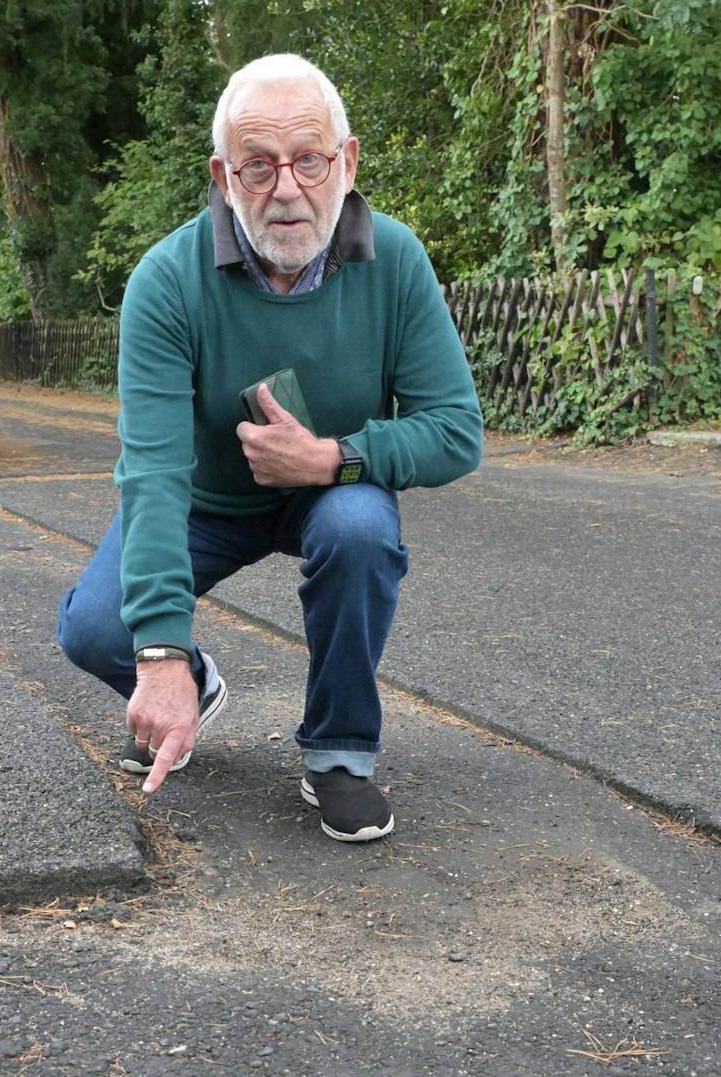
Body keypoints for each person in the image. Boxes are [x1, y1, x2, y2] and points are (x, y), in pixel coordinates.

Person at [56, 53, 483, 843]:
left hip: (330, 491)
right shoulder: (166, 281)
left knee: (360, 529)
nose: (287, 188)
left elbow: (455, 431)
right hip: (205, 505)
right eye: (258, 166)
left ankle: (339, 753)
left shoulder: (398, 262)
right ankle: (195, 677)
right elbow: (150, 470)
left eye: (310, 160)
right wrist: (158, 653)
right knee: (93, 631)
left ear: (347, 162)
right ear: (223, 176)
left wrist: (332, 458)